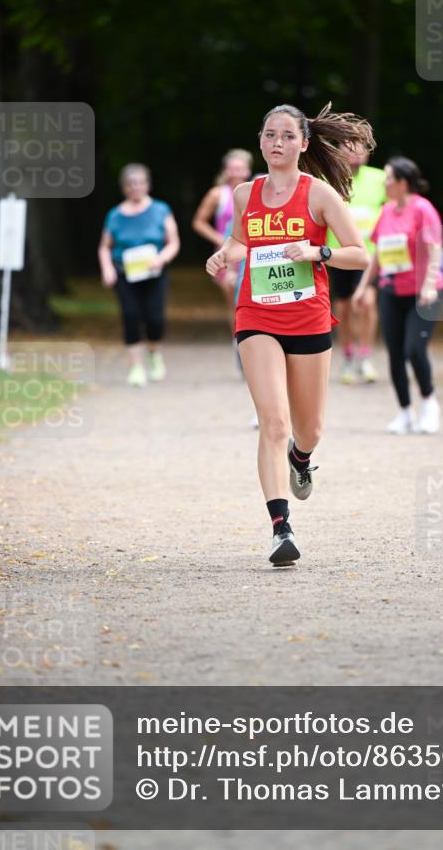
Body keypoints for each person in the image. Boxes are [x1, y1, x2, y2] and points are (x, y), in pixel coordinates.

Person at [206, 102, 373, 566]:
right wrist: (226, 254)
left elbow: (359, 254)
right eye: (269, 135)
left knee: (308, 428)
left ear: (303, 143)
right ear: (260, 141)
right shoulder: (246, 193)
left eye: (286, 136)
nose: (276, 143)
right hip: (256, 314)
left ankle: (302, 459)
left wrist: (317, 251)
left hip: (309, 318)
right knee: (273, 422)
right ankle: (281, 528)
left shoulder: (319, 195)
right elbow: (242, 239)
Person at [352, 157, 443, 434]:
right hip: (392, 290)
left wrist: (428, 284)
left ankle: (429, 403)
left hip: (423, 294)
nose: (384, 182)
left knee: (414, 350)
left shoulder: (422, 209)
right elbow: (377, 253)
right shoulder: (387, 211)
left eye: (389, 178)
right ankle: (404, 412)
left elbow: (434, 248)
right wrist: (363, 287)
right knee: (394, 355)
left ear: (403, 183)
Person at [98, 163, 180, 387]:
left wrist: (161, 258)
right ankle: (135, 366)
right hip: (125, 274)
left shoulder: (161, 209)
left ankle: (154, 353)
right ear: (124, 187)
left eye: (140, 183)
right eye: (130, 184)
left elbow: (173, 242)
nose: (135, 187)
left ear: (148, 185)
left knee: (155, 318)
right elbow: (105, 246)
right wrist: (107, 268)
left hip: (154, 272)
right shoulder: (115, 215)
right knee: (130, 316)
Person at [326, 140, 386, 384]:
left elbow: (391, 212)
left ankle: (365, 357)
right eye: (349, 150)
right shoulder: (328, 178)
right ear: (338, 153)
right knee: (344, 308)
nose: (355, 155)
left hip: (370, 255)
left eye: (360, 150)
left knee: (367, 303)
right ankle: (348, 358)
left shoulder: (380, 179)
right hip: (338, 253)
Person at [192, 149, 253, 334]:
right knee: (234, 303)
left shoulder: (256, 191)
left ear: (248, 171)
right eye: (232, 169)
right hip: (227, 255)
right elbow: (198, 222)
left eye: (240, 169)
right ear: (225, 170)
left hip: (252, 253)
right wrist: (220, 238)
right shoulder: (217, 194)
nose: (236, 173)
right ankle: (238, 343)